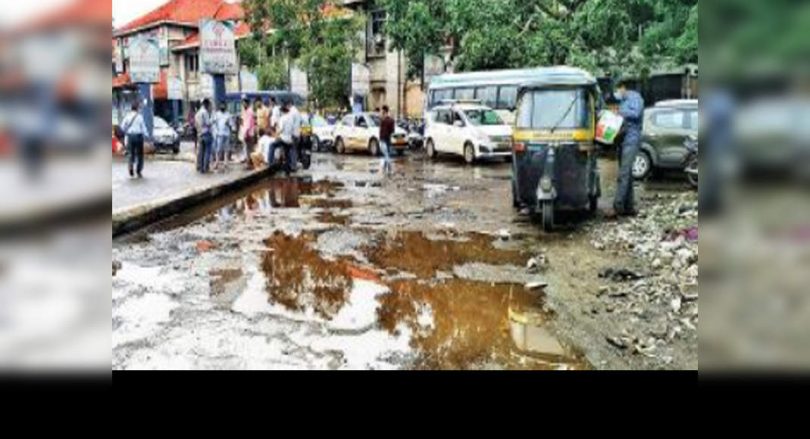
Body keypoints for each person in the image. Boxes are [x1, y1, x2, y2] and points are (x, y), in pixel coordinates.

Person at [609, 78, 645, 217]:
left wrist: (620, 113)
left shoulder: (635, 97)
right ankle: (629, 207)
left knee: (623, 173)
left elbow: (635, 114)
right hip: (624, 139)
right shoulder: (623, 101)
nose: (616, 93)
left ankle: (617, 207)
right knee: (627, 174)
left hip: (632, 139)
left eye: (617, 90)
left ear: (623, 88)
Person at [121, 101, 150, 178]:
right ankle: (138, 170)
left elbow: (123, 127)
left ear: (131, 108)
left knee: (131, 153)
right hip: (139, 136)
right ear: (137, 108)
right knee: (140, 154)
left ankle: (130, 167)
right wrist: (147, 136)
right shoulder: (140, 117)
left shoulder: (127, 116)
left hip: (130, 136)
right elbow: (143, 128)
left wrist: (126, 132)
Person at [268, 104, 295, 175]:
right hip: (290, 139)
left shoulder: (283, 118)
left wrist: (275, 135)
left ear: (282, 112)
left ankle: (270, 163)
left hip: (283, 139)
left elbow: (280, 129)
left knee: (272, 145)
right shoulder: (291, 118)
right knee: (287, 153)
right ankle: (287, 170)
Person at [195, 98, 214, 174]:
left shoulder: (197, 113)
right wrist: (212, 119)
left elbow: (196, 124)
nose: (210, 106)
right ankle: (206, 168)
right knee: (207, 152)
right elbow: (208, 123)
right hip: (206, 133)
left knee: (201, 152)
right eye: (209, 104)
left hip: (200, 134)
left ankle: (200, 167)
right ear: (206, 104)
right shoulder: (205, 112)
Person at [212, 103, 233, 171]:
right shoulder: (217, 114)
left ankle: (226, 163)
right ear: (220, 106)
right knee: (218, 149)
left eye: (224, 105)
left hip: (227, 134)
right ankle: (217, 163)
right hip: (219, 134)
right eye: (221, 105)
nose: (222, 106)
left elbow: (231, 124)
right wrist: (216, 132)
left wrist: (228, 123)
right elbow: (213, 123)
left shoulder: (228, 114)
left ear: (225, 106)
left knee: (226, 149)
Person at [239, 98, 257, 170]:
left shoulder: (250, 111)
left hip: (249, 133)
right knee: (247, 148)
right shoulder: (244, 111)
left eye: (244, 103)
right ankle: (249, 163)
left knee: (249, 149)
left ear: (247, 103)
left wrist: (245, 133)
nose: (243, 104)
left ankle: (249, 164)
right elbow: (243, 121)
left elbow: (248, 124)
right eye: (242, 103)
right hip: (245, 132)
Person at [379, 105, 395, 175]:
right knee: (387, 154)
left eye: (382, 111)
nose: (381, 112)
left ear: (384, 111)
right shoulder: (391, 120)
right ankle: (385, 169)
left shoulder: (382, 120)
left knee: (386, 155)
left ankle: (390, 169)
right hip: (388, 139)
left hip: (383, 139)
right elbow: (392, 131)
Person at [289, 101, 303, 171]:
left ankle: (293, 166)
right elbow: (301, 122)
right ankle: (294, 164)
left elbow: (290, 124)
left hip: (293, 134)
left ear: (289, 104)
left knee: (292, 150)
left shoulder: (292, 112)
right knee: (295, 150)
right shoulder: (297, 112)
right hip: (298, 134)